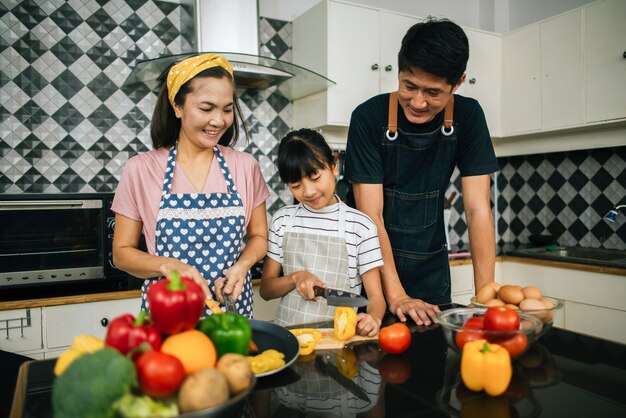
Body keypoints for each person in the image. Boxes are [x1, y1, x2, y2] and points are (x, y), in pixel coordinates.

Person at [344, 18, 499, 325]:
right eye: (409, 86)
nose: (417, 102)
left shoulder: (468, 117)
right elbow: (370, 216)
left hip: (430, 271)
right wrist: (397, 295)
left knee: (431, 365)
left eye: (433, 92)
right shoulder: (368, 118)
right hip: (369, 273)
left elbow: (478, 208)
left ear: (458, 83)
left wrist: (485, 299)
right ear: (398, 71)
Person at [111, 53, 270, 318]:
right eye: (206, 109)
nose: (219, 121)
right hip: (167, 314)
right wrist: (169, 266)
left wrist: (241, 267)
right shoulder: (141, 168)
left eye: (227, 109)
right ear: (178, 107)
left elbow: (259, 237)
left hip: (231, 313)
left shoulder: (245, 166)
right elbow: (122, 253)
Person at [260, 128, 386, 335]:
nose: (308, 191)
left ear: (334, 166)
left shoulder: (361, 226)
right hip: (290, 337)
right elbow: (266, 290)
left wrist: (373, 318)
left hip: (338, 339)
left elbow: (375, 298)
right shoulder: (282, 220)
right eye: (296, 185)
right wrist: (295, 278)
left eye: (315, 177)